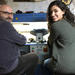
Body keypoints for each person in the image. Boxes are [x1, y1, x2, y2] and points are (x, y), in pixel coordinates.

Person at [0, 4, 39, 75]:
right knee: (34, 56)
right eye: (5, 13)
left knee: (23, 53)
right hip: (7, 69)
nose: (9, 16)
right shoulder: (5, 25)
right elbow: (22, 41)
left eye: (11, 13)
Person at [45, 1, 75, 75]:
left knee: (44, 63)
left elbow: (50, 43)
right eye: (51, 12)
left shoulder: (56, 25)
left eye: (56, 11)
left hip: (64, 67)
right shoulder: (72, 24)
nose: (52, 14)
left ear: (63, 11)